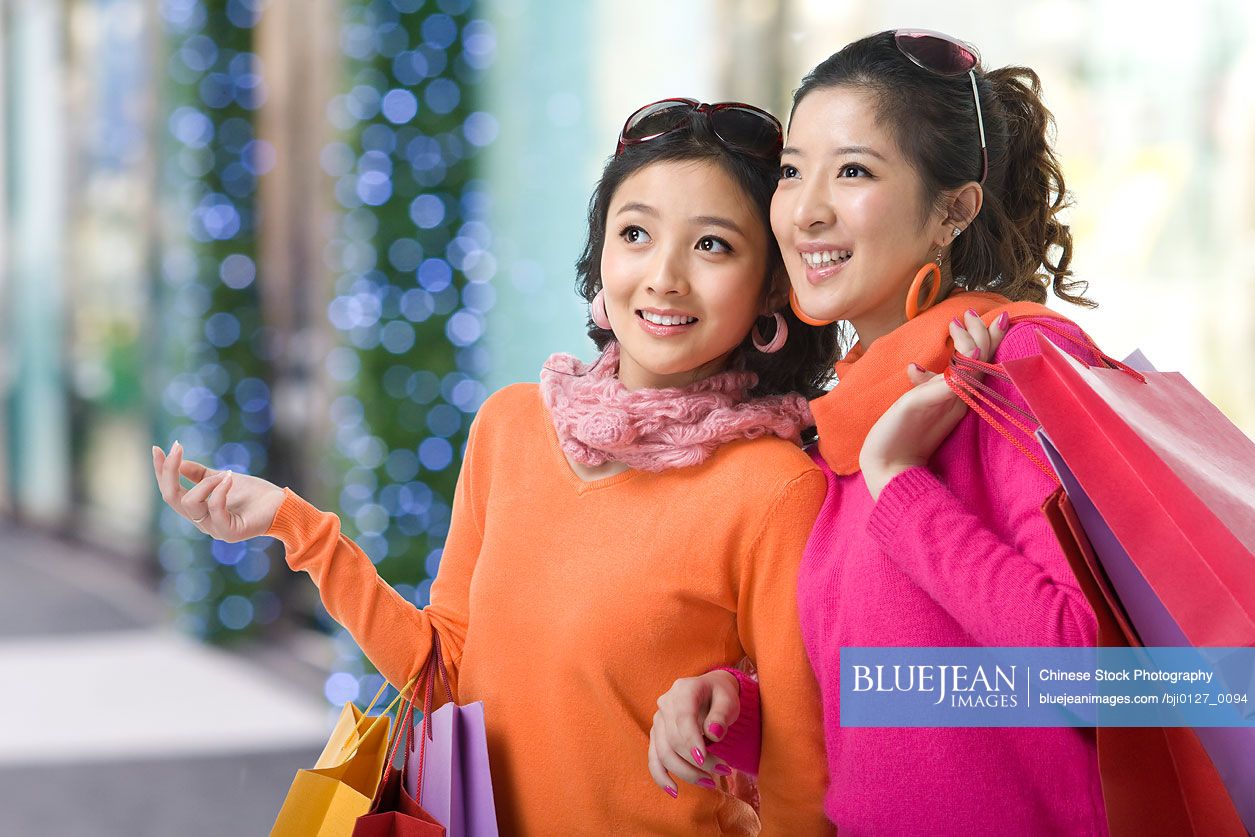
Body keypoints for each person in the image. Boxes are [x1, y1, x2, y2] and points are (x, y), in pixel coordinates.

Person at [153, 97, 841, 834]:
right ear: (600, 256)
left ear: (772, 284)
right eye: (635, 233)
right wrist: (298, 529)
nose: (664, 276)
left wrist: (732, 702)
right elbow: (444, 671)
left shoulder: (775, 488)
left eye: (712, 246)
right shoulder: (511, 427)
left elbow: (801, 764)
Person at [649, 30, 1110, 835]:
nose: (805, 208)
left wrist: (900, 481)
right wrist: (739, 713)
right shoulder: (850, 412)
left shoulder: (1017, 363)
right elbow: (904, 703)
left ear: (952, 209)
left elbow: (1097, 678)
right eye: (792, 171)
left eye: (853, 170)